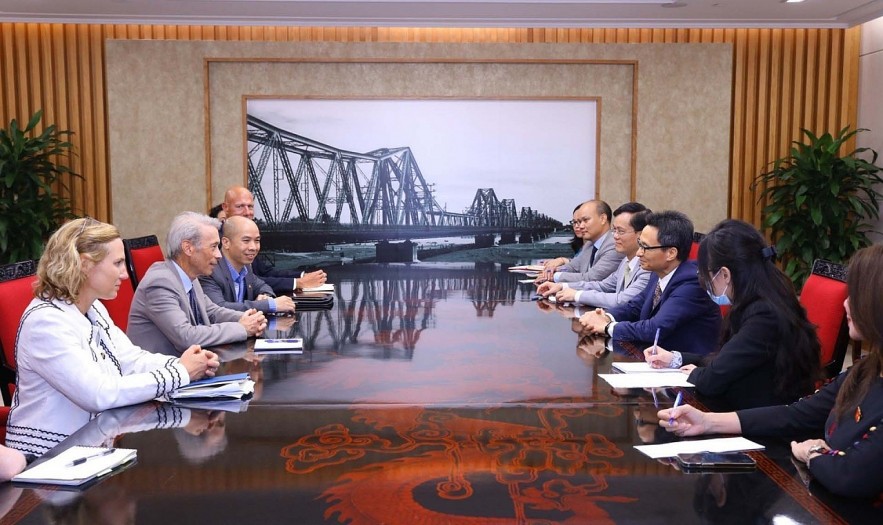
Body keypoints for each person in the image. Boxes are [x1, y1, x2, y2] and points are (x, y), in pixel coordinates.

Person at [659, 244, 883, 498]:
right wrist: (707, 422)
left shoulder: (765, 313)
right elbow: (796, 415)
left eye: (857, 294)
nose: (845, 303)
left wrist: (812, 453)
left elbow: (849, 475)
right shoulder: (867, 370)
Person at [5, 218, 219, 458]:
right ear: (85, 264)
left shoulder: (93, 308)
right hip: (45, 461)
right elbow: (99, 394)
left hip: (92, 446)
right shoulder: (46, 322)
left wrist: (185, 364)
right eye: (117, 263)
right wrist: (180, 372)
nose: (125, 274)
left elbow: (130, 360)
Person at [644, 220, 821, 410]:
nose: (704, 282)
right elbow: (726, 360)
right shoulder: (760, 298)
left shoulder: (764, 314)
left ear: (725, 275)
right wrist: (676, 359)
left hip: (760, 420)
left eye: (705, 275)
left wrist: (696, 374)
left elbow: (713, 379)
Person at [579, 210, 720, 356]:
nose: (639, 253)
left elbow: (655, 328)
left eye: (645, 247)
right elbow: (634, 307)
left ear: (671, 253)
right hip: (654, 358)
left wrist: (607, 327)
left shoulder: (692, 283)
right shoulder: (657, 273)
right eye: (640, 244)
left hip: (687, 368)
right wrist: (606, 316)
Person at [128, 212, 267, 356]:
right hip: (161, 373)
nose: (219, 255)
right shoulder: (160, 283)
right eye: (213, 247)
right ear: (188, 248)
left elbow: (212, 312)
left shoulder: (190, 277)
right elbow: (186, 337)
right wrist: (242, 328)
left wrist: (248, 318)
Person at [538, 203, 651, 309]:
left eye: (620, 231)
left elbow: (622, 300)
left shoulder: (649, 266)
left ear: (641, 235)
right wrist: (562, 286)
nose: (615, 236)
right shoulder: (626, 261)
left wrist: (577, 295)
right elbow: (603, 286)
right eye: (614, 230)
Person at [222, 186, 327, 293]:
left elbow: (264, 273)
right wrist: (299, 282)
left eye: (250, 206)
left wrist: (303, 276)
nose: (247, 212)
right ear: (225, 208)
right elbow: (247, 281)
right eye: (240, 206)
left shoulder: (249, 238)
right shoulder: (218, 240)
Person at [200, 216, 296, 314]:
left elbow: (262, 286)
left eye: (257, 241)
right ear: (226, 243)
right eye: (246, 241)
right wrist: (269, 305)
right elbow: (219, 308)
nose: (253, 247)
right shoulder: (209, 271)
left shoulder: (246, 267)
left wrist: (265, 295)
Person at [539, 200, 623, 284]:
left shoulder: (614, 245)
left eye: (585, 220)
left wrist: (555, 276)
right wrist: (555, 270)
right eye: (579, 222)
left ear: (603, 219)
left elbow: (591, 278)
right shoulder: (590, 244)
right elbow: (574, 266)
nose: (581, 226)